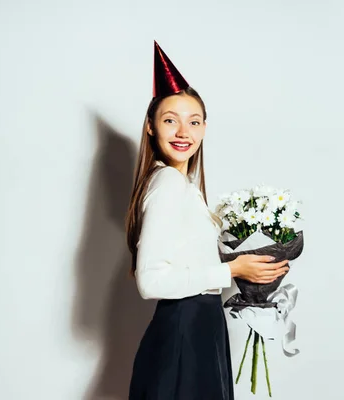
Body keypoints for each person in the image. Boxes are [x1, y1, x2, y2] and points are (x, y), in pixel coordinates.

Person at [125, 40, 289, 400]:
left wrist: (254, 268)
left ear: (204, 127)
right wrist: (233, 271)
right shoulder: (167, 182)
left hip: (200, 327)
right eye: (171, 120)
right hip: (184, 329)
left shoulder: (184, 186)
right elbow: (150, 281)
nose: (184, 132)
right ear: (151, 127)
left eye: (193, 122)